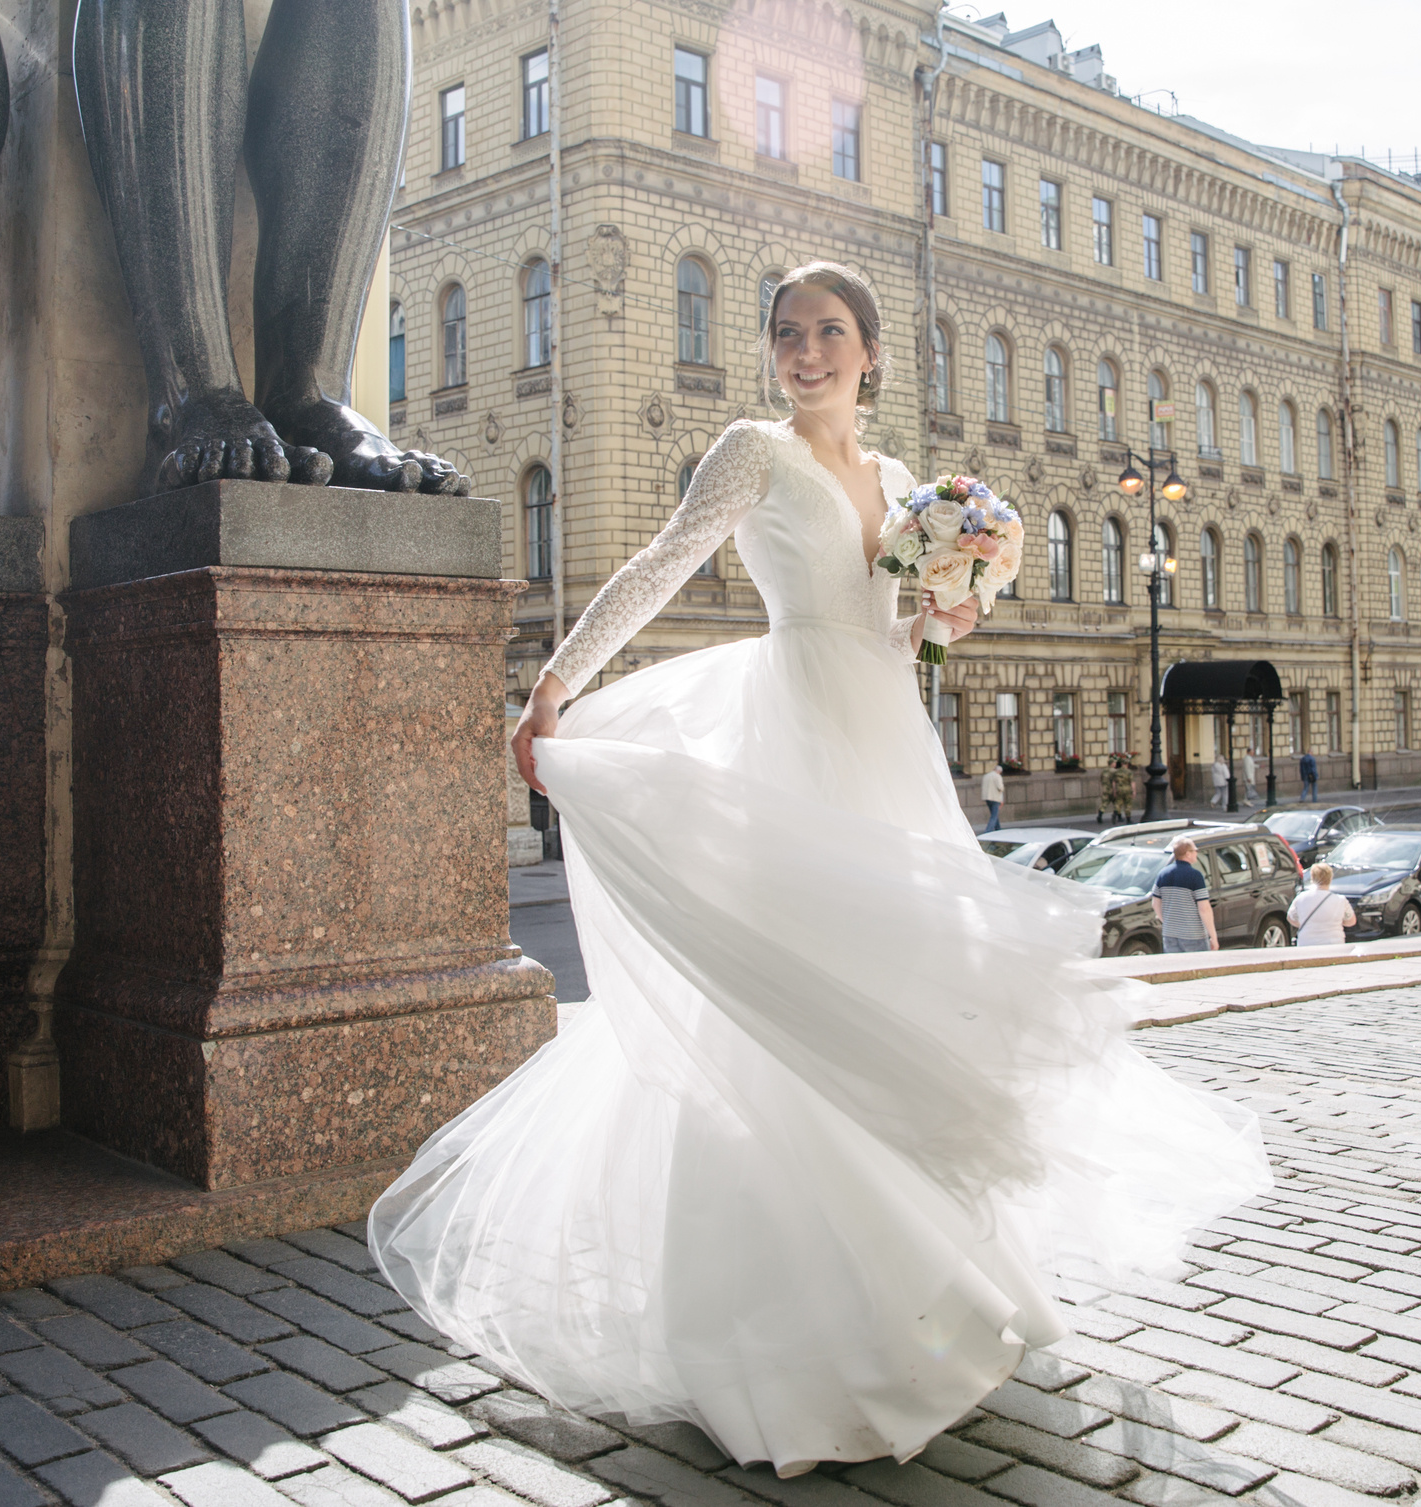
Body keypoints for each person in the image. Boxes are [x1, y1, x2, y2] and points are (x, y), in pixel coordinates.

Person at [376, 261, 1268, 1477]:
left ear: (871, 353)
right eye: (788, 334)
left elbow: (902, 625)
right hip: (791, 735)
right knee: (787, 1019)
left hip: (886, 746)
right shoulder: (750, 452)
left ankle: (926, 1308)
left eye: (830, 333)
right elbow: (661, 565)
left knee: (901, 1005)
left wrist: (949, 610)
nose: (808, 352)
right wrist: (556, 683)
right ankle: (788, 1343)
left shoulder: (907, 486)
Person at [1152, 839, 1216, 952]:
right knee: (1199, 967)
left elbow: (1155, 904)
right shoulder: (1195, 876)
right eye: (1195, 850)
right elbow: (1204, 909)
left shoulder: (1163, 874)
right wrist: (1213, 937)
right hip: (1193, 936)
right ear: (1188, 853)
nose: (1197, 853)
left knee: (1176, 967)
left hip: (1170, 935)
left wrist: (1167, 922)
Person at [1287, 862, 1355, 945]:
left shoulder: (1301, 897)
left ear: (1312, 878)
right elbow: (1351, 921)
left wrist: (1308, 924)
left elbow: (1291, 918)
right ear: (1330, 878)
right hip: (1334, 944)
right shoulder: (1340, 900)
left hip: (1307, 943)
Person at [982, 762, 1006, 833]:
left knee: (994, 814)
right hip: (995, 798)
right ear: (999, 771)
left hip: (987, 798)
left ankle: (998, 829)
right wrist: (1001, 800)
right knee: (994, 815)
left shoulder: (986, 776)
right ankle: (988, 830)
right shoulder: (997, 776)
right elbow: (1000, 788)